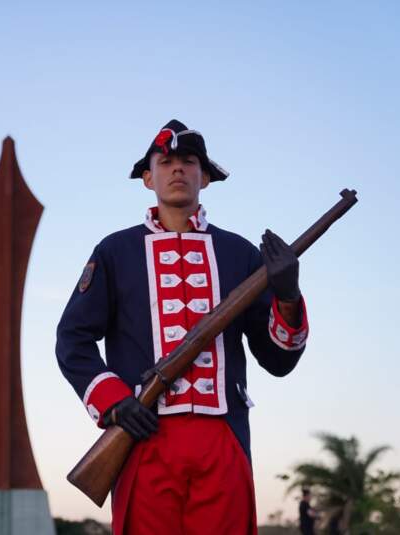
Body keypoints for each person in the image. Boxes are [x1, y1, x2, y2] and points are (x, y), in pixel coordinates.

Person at [56, 120, 309, 535]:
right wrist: (116, 402)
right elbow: (73, 340)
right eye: (166, 161)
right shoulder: (115, 250)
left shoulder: (239, 252)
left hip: (223, 437)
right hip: (144, 433)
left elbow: (278, 361)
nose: (177, 170)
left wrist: (287, 296)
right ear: (146, 177)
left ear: (204, 177)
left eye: (188, 162)